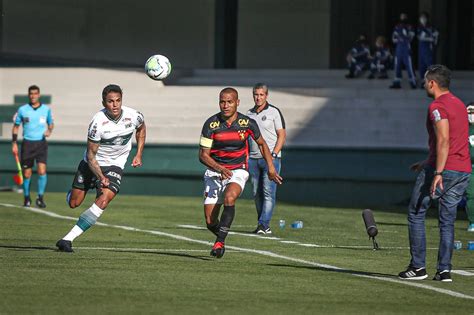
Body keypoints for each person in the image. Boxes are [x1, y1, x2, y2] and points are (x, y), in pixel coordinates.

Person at [398, 65, 471, 282]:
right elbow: (457, 140)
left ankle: (418, 267)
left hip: (444, 169)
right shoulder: (459, 104)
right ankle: (444, 270)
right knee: (447, 221)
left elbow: (444, 139)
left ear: (432, 83)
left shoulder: (437, 106)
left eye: (425, 81)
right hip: (462, 169)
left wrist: (437, 171)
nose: (423, 84)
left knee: (416, 212)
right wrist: (426, 161)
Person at [56, 84, 146, 253]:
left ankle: (67, 239)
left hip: (115, 165)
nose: (115, 105)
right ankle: (75, 191)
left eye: (118, 100)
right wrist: (99, 176)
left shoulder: (134, 116)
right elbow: (91, 156)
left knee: (103, 200)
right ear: (104, 102)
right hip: (92, 164)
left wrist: (139, 153)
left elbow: (141, 129)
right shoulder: (97, 123)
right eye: (110, 101)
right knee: (74, 203)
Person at [199, 87, 282, 258]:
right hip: (215, 172)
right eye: (222, 101)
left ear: (237, 103)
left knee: (230, 197)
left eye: (229, 102)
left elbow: (262, 143)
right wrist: (219, 168)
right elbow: (203, 155)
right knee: (210, 222)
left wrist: (271, 167)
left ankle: (219, 243)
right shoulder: (211, 124)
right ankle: (221, 236)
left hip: (238, 170)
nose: (225, 105)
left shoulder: (247, 123)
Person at [246, 83, 286, 234]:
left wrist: (274, 154)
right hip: (253, 159)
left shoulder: (274, 112)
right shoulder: (248, 114)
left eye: (261, 94)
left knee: (268, 192)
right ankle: (262, 223)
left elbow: (282, 135)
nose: (258, 97)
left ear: (266, 96)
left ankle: (264, 224)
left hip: (271, 159)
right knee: (256, 193)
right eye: (256, 94)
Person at [12, 85, 54, 208]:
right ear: (29, 95)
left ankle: (40, 197)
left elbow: (51, 124)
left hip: (41, 143)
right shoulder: (22, 110)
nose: (33, 96)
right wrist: (14, 143)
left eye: (35, 93)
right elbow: (16, 127)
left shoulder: (46, 110)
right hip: (27, 144)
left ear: (39, 95)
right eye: (31, 93)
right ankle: (26, 198)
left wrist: (49, 131)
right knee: (27, 174)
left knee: (42, 171)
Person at [389, 13, 417, 89]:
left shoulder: (409, 27)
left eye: (404, 16)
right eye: (401, 16)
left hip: (406, 49)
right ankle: (397, 83)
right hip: (399, 49)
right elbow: (393, 39)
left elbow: (411, 37)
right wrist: (399, 38)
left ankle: (413, 82)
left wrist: (403, 37)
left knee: (409, 66)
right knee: (397, 65)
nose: (403, 18)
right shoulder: (397, 27)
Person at [417, 12, 439, 89]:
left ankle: (431, 82)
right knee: (421, 66)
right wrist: (429, 38)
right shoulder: (420, 28)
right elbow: (419, 37)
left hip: (428, 49)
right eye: (421, 18)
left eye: (424, 18)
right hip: (421, 49)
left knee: (430, 66)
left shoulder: (431, 28)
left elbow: (436, 36)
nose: (422, 19)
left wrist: (433, 39)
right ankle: (423, 82)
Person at [465, 102, 474, 232]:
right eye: (469, 112)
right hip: (469, 166)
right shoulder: (463, 128)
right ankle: (472, 222)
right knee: (471, 194)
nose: (471, 115)